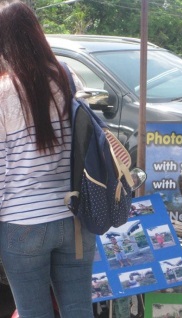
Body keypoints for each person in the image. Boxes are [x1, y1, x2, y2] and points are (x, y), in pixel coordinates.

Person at [0, 1, 96, 317]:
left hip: (22, 223)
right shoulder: (67, 77)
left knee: (33, 312)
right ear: (37, 34)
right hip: (75, 217)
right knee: (78, 309)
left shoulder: (3, 92)